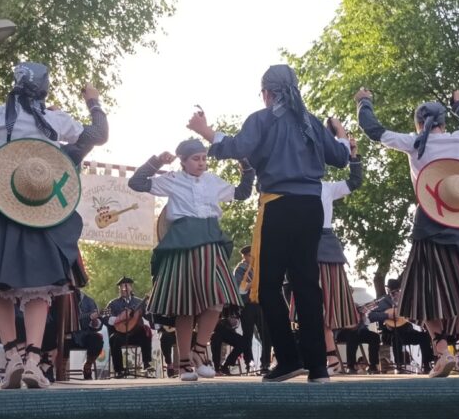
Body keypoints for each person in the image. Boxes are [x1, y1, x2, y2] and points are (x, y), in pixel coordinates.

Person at [0, 63, 109, 389]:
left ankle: (12, 358)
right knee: (40, 286)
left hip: (0, 204)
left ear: (14, 87)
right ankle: (34, 361)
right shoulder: (57, 120)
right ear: (44, 90)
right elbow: (97, 135)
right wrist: (93, 100)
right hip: (41, 210)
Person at [189, 64, 352, 383]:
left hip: (278, 205)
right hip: (311, 206)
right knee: (306, 284)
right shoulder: (312, 123)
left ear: (266, 93)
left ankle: (289, 359)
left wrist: (205, 131)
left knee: (266, 286)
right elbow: (341, 158)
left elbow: (238, 148)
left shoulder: (261, 119)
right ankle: (318, 366)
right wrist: (343, 136)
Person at [357, 88, 459, 377]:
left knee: (422, 295)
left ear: (419, 124)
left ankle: (442, 354)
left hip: (430, 225)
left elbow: (373, 130)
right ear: (443, 123)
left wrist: (364, 101)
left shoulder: (412, 143)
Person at [128, 138, 254, 381]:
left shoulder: (212, 181)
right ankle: (185, 361)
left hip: (210, 242)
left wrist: (246, 166)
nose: (201, 163)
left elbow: (243, 192)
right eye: (196, 159)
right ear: (183, 161)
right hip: (183, 243)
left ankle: (199, 348)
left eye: (204, 158)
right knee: (184, 305)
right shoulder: (173, 179)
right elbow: (137, 182)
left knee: (218, 298)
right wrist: (156, 161)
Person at [312, 128, 363, 374]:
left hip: (326, 245)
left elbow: (355, 182)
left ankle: (330, 356)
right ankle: (326, 356)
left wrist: (354, 156)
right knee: (311, 305)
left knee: (328, 305)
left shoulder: (327, 187)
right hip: (300, 245)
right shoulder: (292, 186)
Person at [368, 279, 433, 374]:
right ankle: (399, 365)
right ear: (388, 290)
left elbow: (415, 313)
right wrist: (387, 316)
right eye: (393, 291)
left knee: (424, 337)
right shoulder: (383, 302)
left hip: (407, 331)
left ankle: (427, 364)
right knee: (396, 338)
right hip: (389, 332)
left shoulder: (406, 300)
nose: (396, 293)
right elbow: (371, 315)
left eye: (398, 290)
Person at [104, 277, 154, 378]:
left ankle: (146, 363)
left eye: (127, 286)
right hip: (121, 334)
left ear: (131, 288)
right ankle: (119, 370)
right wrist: (120, 319)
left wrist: (148, 310)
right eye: (122, 286)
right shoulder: (113, 303)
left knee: (145, 333)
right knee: (114, 338)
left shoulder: (139, 302)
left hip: (136, 333)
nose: (124, 288)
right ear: (119, 289)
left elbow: (148, 317)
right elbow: (106, 318)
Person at [234, 245, 271, 373]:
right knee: (248, 335)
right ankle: (248, 362)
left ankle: (265, 363)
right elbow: (240, 289)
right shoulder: (240, 270)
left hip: (260, 304)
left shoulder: (259, 267)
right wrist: (254, 282)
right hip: (248, 306)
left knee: (266, 333)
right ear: (244, 256)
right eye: (250, 255)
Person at [335, 303, 381, 374]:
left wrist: (363, 314)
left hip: (359, 331)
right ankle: (351, 366)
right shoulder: (339, 305)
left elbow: (366, 323)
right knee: (352, 335)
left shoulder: (357, 306)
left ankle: (373, 365)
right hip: (343, 332)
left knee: (375, 336)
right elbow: (337, 323)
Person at [68, 290, 104, 380]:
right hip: (68, 334)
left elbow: (97, 326)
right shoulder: (63, 299)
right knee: (61, 340)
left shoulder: (89, 301)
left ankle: (88, 366)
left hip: (84, 335)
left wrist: (94, 320)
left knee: (97, 340)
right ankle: (61, 370)